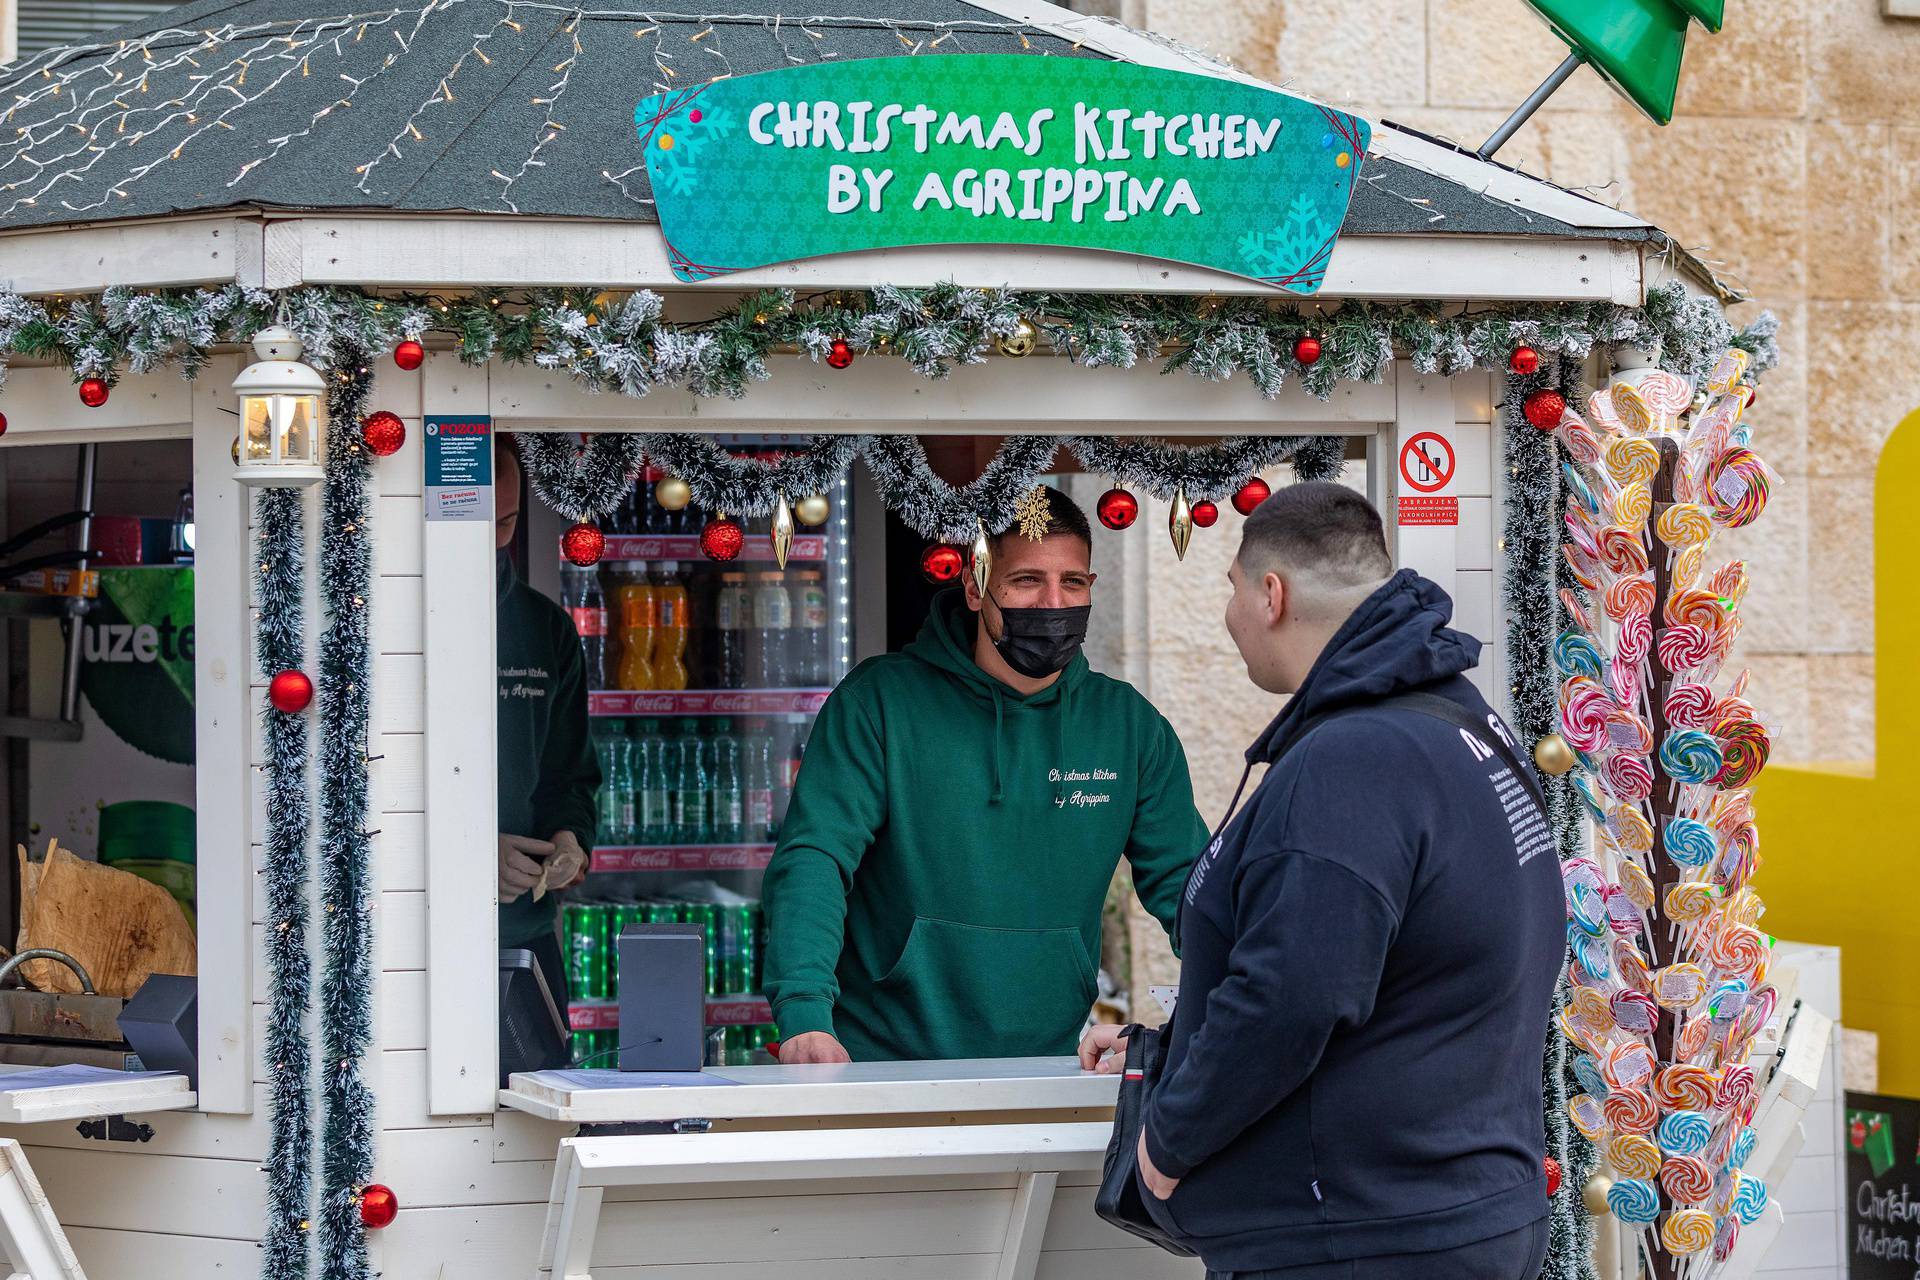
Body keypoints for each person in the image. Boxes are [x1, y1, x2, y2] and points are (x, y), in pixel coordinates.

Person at [1081, 481, 1562, 1279]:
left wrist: (1168, 1141)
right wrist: (1171, 1049)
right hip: (1449, 1209)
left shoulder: (1352, 760)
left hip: (1359, 1233)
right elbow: (1408, 971)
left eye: (1230, 590)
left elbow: (1293, 994)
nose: (1229, 617)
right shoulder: (1463, 726)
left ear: (1272, 595)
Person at [765, 486, 1207, 1064]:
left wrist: (1240, 1012)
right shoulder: (881, 703)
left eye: (1071, 582)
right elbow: (816, 859)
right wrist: (804, 1015)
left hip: (1048, 1066)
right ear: (974, 584)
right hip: (877, 1066)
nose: (1053, 605)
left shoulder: (1130, 728)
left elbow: (1194, 890)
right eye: (1026, 580)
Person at [494, 434, 600, 1006]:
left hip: (525, 939)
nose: (489, 542)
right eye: (476, 521)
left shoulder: (547, 629)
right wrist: (470, 853)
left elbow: (572, 776)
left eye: (505, 525)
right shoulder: (379, 616)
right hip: (401, 931)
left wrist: (569, 839)